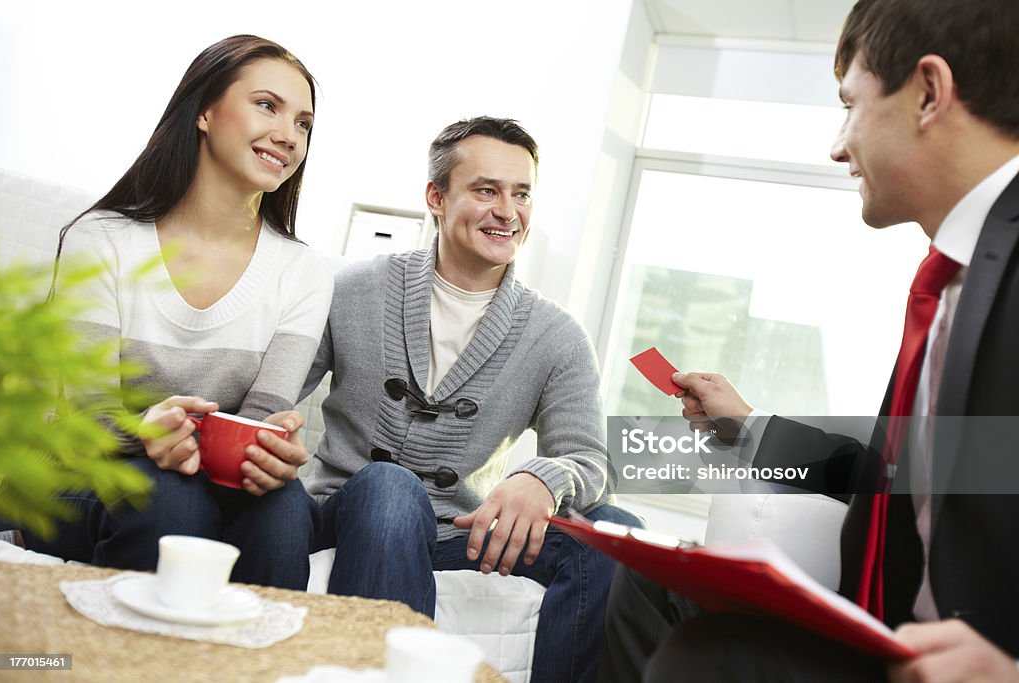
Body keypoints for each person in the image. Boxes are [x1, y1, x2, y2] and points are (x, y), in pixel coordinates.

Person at [598, 0, 1019, 680]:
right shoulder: (950, 284)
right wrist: (751, 428)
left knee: (700, 658)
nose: (838, 143)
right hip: (887, 631)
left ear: (929, 93)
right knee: (644, 582)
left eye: (850, 104)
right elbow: (890, 478)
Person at [301, 116, 642, 682]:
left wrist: (542, 479)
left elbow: (590, 461)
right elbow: (272, 398)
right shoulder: (351, 289)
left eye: (521, 193)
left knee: (613, 530)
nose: (507, 211)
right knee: (390, 487)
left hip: (462, 535)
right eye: (486, 190)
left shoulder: (557, 335)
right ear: (437, 197)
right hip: (352, 514)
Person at [7, 35, 333, 590]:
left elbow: (259, 417)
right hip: (77, 473)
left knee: (283, 512)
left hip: (203, 479)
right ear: (204, 111)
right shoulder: (102, 239)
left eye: (303, 123)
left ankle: (255, 673)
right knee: (172, 502)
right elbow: (87, 414)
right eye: (266, 105)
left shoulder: (303, 271)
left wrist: (270, 455)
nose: (288, 134)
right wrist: (142, 431)